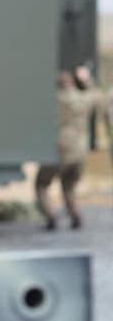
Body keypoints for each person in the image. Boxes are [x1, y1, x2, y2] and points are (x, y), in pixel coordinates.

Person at [34, 67, 106, 230]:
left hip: (58, 149)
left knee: (41, 184)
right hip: (79, 151)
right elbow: (97, 96)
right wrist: (87, 80)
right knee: (69, 185)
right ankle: (75, 215)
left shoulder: (52, 99)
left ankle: (50, 215)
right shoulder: (83, 99)